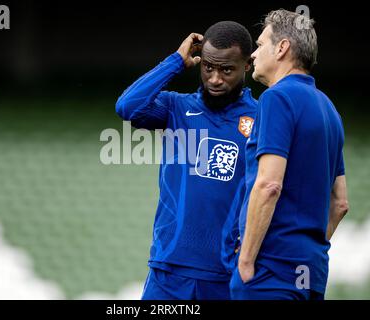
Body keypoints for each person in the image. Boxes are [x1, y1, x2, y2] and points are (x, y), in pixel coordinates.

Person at [116, 21, 257, 300]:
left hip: (226, 275)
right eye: (208, 67)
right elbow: (127, 107)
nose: (215, 78)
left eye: (226, 70)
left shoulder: (263, 117)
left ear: (247, 67)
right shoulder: (176, 107)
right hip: (169, 271)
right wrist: (176, 61)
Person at [228, 9, 349, 300]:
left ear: (282, 48)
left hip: (270, 271)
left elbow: (269, 185)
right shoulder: (329, 109)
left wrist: (246, 260)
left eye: (259, 45)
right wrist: (305, 252)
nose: (253, 55)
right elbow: (341, 203)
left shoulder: (276, 98)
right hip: (311, 272)